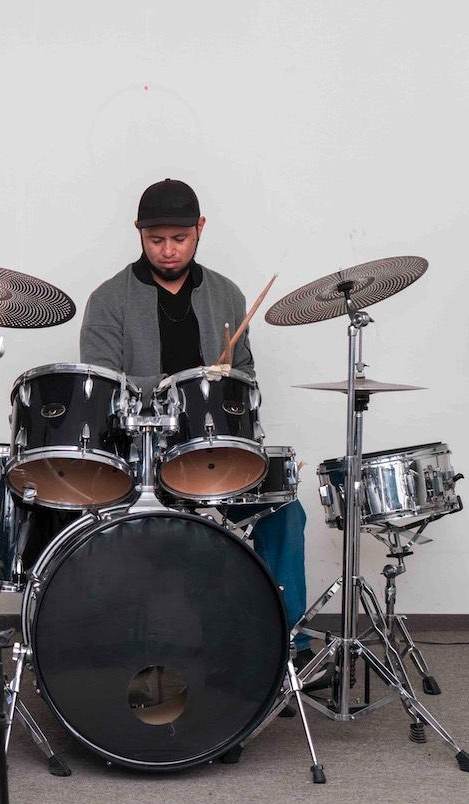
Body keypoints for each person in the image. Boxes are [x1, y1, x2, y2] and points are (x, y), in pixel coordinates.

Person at [79, 178, 319, 673]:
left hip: (216, 454)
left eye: (179, 238)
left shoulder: (227, 295)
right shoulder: (108, 299)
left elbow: (247, 377)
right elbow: (102, 387)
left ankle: (289, 647)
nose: (167, 250)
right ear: (138, 233)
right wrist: (179, 381)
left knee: (284, 510)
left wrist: (230, 382)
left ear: (200, 229)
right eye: (156, 239)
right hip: (142, 458)